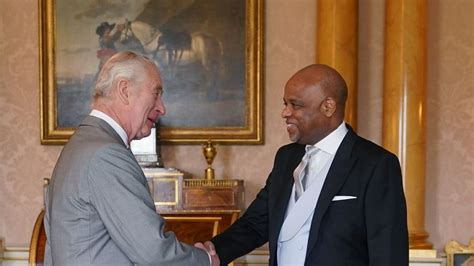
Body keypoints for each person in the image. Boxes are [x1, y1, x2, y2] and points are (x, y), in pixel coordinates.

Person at [203, 64, 409, 265]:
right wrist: (209, 254)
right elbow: (256, 224)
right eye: (285, 104)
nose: (285, 112)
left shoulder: (376, 164)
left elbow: (388, 252)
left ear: (328, 107)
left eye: (296, 105)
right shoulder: (285, 158)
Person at [44, 51, 219, 265]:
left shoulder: (77, 146)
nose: (161, 108)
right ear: (125, 90)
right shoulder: (107, 155)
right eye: (156, 94)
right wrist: (206, 260)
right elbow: (153, 252)